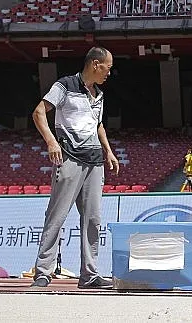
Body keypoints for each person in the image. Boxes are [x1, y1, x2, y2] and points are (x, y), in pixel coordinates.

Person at [31, 47, 120, 289]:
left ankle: (89, 275)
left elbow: (98, 125)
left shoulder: (99, 94)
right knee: (57, 215)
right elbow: (39, 112)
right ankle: (43, 272)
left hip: (95, 162)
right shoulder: (64, 86)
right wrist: (51, 142)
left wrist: (108, 151)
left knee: (93, 219)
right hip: (69, 158)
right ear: (95, 64)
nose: (109, 73)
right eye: (108, 68)